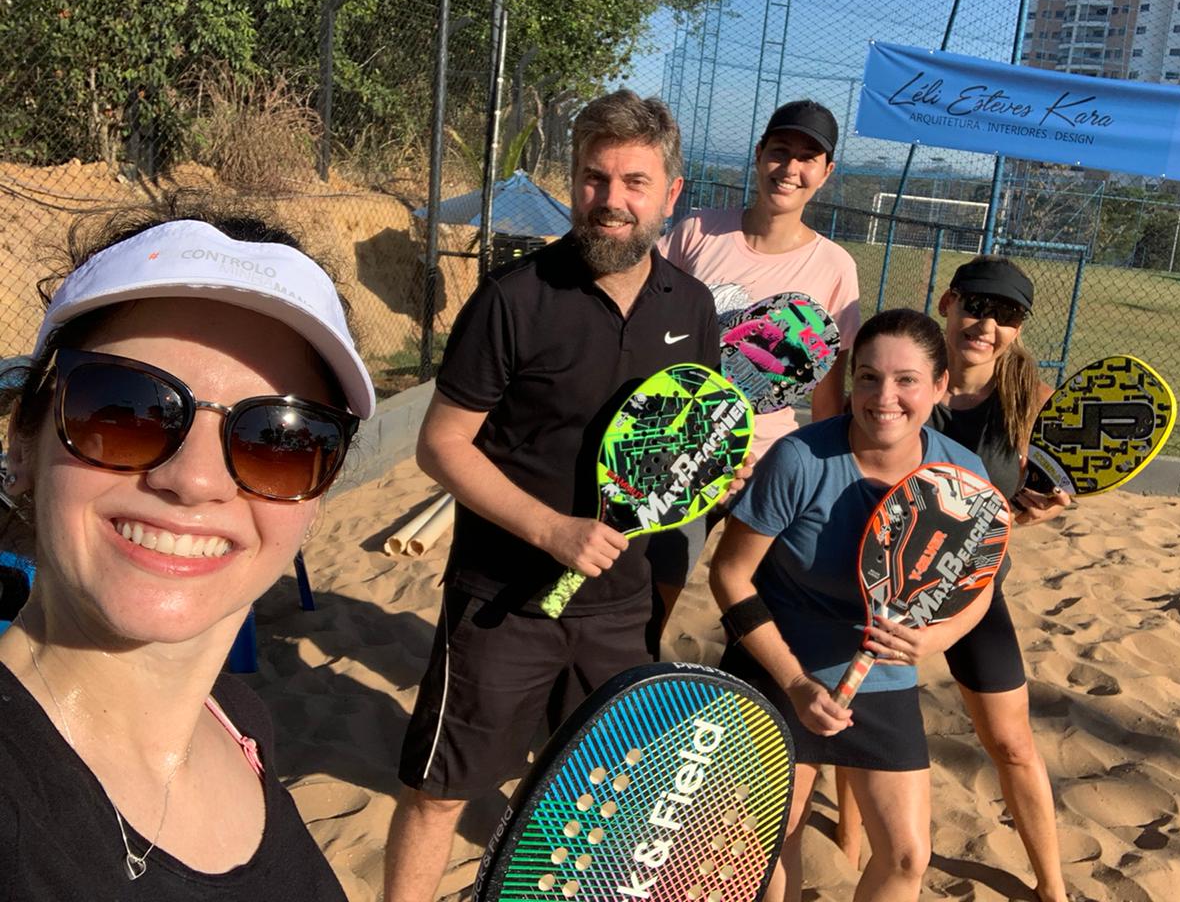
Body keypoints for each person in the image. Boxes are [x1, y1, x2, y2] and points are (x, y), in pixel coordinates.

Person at [383, 90, 725, 902]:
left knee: (596, 799)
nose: (612, 201)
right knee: (440, 793)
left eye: (634, 182)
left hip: (621, 606)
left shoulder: (695, 307)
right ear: (571, 183)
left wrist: (709, 471)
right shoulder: (514, 299)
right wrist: (552, 531)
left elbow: (683, 440)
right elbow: (441, 446)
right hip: (504, 600)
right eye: (594, 179)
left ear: (670, 194)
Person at [0, 199, 374, 898]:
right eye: (121, 408)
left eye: (281, 440)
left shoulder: (236, 720)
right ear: (22, 440)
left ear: (318, 496)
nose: (193, 480)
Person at [710, 309, 997, 902]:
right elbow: (730, 577)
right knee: (771, 844)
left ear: (940, 386)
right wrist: (793, 682)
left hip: (882, 678)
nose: (883, 397)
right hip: (778, 670)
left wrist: (937, 640)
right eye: (867, 378)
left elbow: (982, 582)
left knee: (906, 856)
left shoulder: (960, 473)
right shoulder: (800, 460)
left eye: (906, 380)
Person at [835, 256, 1071, 902]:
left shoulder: (1032, 403)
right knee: (854, 722)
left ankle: (1052, 885)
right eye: (976, 305)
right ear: (947, 303)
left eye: (1006, 315)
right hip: (882, 580)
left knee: (1012, 742)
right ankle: (846, 848)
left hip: (970, 591)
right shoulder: (904, 382)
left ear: (1019, 329)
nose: (986, 324)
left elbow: (1008, 512)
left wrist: (1036, 512)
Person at [653, 99, 861, 615]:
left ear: (826, 173)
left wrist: (827, 481)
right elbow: (649, 332)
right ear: (758, 154)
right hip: (682, 445)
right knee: (651, 592)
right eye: (780, 151)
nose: (790, 169)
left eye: (808, 158)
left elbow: (828, 397)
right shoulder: (696, 232)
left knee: (765, 609)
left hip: (768, 465)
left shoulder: (835, 267)